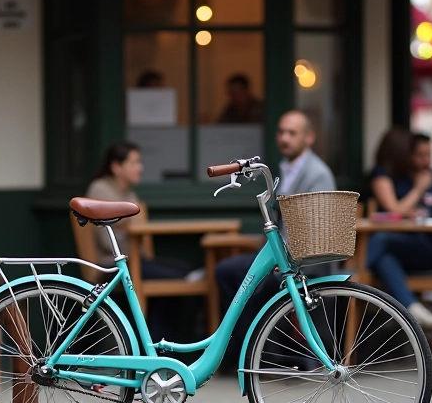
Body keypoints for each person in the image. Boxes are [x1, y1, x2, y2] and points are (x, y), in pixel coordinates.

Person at [213, 110, 336, 372]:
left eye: (292, 133)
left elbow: (317, 228)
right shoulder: (284, 169)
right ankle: (250, 351)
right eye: (281, 132)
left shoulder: (317, 174)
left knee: (253, 280)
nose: (284, 138)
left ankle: (261, 356)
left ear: (309, 137)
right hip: (282, 255)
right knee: (228, 271)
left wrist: (290, 258)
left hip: (304, 259)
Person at [85, 141, 192, 341]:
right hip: (113, 265)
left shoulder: (129, 193)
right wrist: (130, 226)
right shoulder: (100, 189)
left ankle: (160, 342)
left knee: (185, 272)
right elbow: (108, 242)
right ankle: (158, 344)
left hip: (136, 260)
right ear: (116, 167)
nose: (140, 168)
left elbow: (134, 226)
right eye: (134, 163)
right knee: (176, 278)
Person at [367, 127, 432, 329]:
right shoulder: (402, 181)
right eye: (419, 156)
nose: (425, 161)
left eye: (429, 155)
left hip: (431, 249)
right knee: (384, 258)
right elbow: (396, 211)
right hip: (403, 248)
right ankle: (413, 309)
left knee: (382, 240)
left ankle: (352, 279)